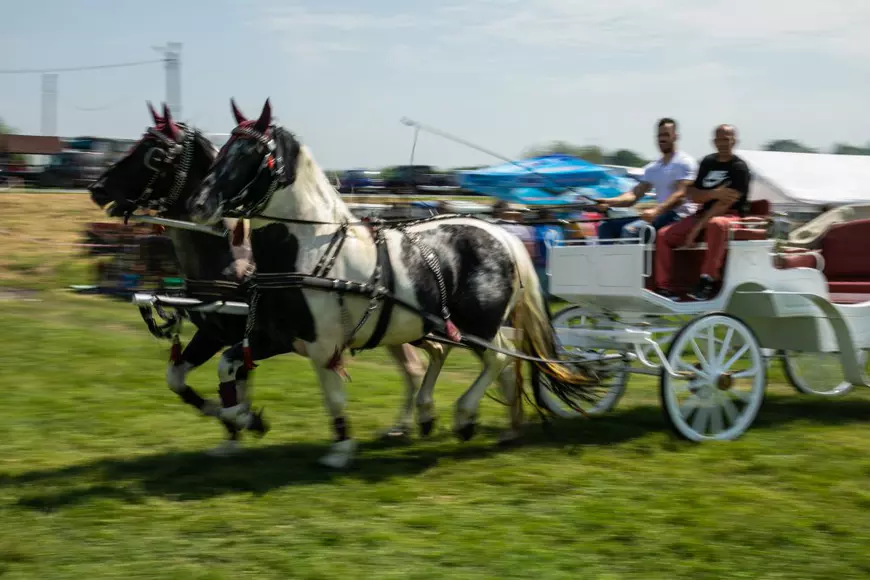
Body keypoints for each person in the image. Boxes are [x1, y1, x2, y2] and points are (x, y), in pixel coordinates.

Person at [653, 124, 752, 301]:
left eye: (726, 139)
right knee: (663, 235)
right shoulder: (707, 163)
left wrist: (696, 229)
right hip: (702, 213)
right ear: (713, 142)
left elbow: (722, 205)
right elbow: (694, 195)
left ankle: (708, 279)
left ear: (734, 141)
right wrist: (714, 193)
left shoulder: (739, 168)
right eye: (719, 139)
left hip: (730, 214)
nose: (723, 143)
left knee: (716, 224)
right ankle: (666, 287)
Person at [594, 118, 698, 243]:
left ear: (675, 136)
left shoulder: (684, 162)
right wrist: (609, 202)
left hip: (679, 216)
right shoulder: (653, 167)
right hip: (659, 215)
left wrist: (656, 210)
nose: (662, 139)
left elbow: (680, 195)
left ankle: (631, 263)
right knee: (605, 227)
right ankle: (609, 262)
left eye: (666, 135)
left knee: (630, 230)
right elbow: (634, 195)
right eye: (659, 135)